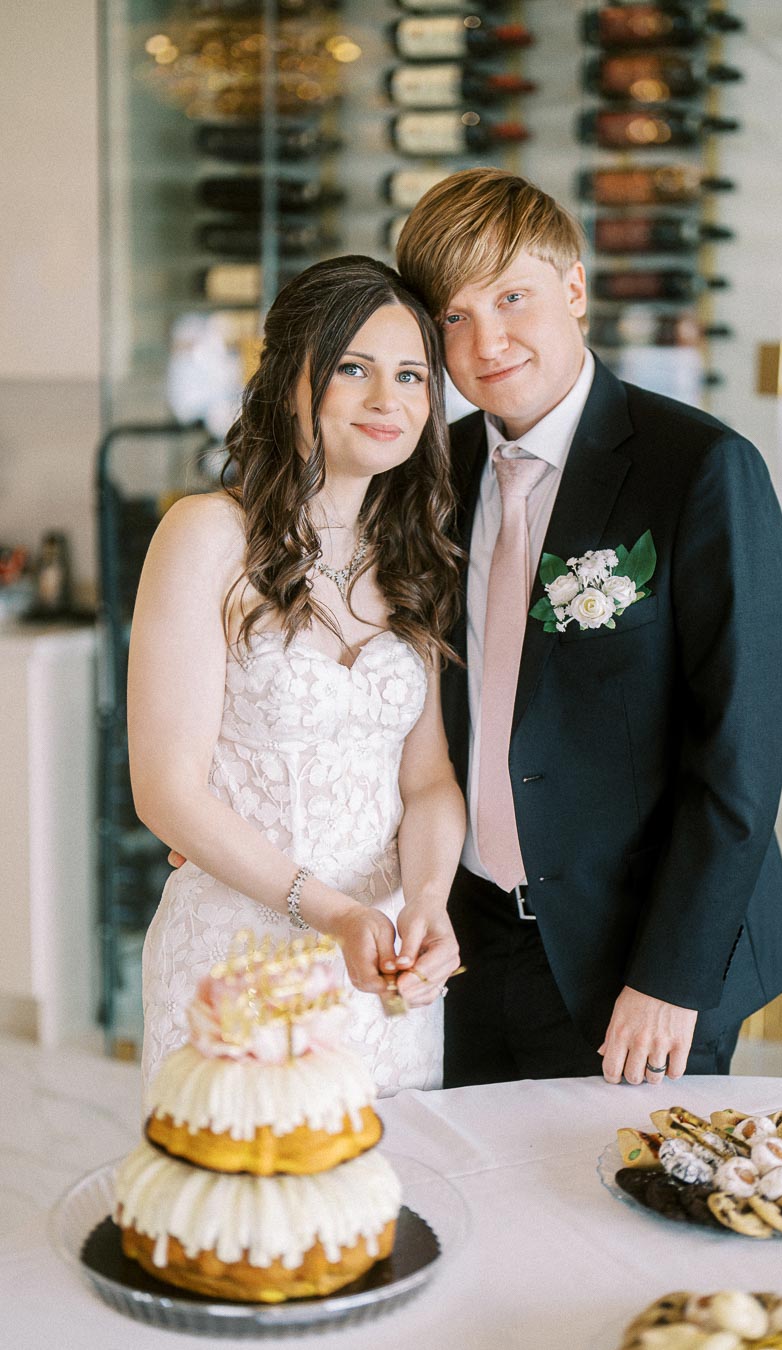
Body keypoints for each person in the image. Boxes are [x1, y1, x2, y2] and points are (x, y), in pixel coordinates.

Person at [396, 168, 782, 1088]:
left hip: (636, 964)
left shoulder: (699, 468)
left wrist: (670, 978)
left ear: (574, 287)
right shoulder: (430, 476)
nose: (487, 342)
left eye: (512, 297)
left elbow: (739, 757)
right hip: (468, 945)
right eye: (454, 316)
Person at [130, 256, 465, 1099]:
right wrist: (333, 912)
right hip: (236, 960)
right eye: (353, 368)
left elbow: (427, 781)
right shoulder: (207, 536)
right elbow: (166, 792)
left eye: (411, 376)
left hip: (382, 974)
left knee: (384, 1179)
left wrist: (427, 901)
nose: (388, 399)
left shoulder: (416, 561)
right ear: (289, 384)